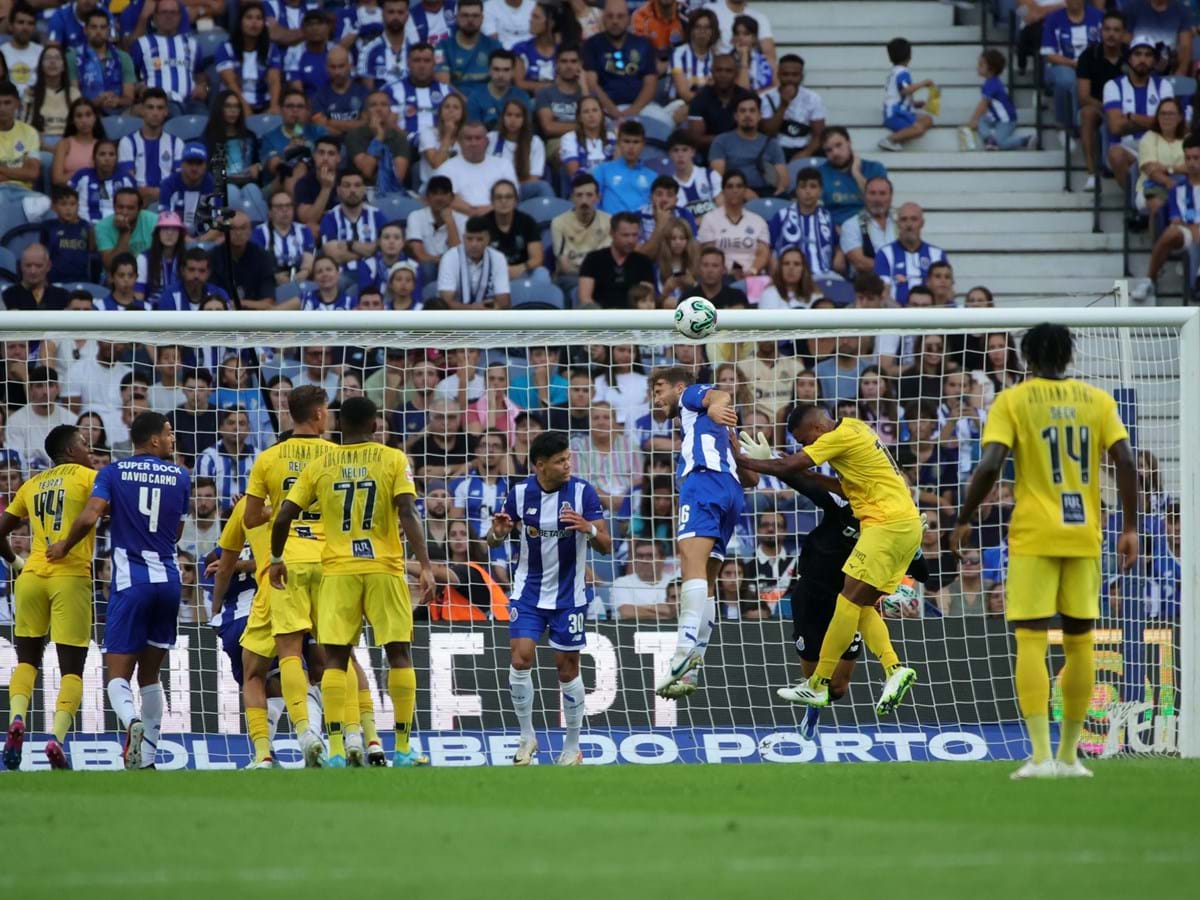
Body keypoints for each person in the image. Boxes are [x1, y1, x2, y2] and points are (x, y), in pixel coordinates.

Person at [951, 323, 1138, 779]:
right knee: (1080, 643)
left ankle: (1039, 756)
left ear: (1027, 357)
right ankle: (1072, 757)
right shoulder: (1097, 401)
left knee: (1031, 641)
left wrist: (963, 517)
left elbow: (991, 464)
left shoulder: (1012, 401)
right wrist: (1130, 525)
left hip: (1034, 534)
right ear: (1069, 355)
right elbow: (1127, 462)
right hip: (1084, 534)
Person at [271, 396, 437, 768]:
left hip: (339, 571)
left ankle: (333, 751)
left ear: (339, 425)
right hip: (384, 568)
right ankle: (405, 748)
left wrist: (278, 558)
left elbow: (282, 517)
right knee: (397, 653)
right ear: (376, 424)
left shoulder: (320, 463)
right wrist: (424, 565)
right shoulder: (393, 459)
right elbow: (407, 511)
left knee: (335, 658)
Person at [732, 405, 921, 715]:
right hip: (905, 524)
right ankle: (893, 669)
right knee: (860, 606)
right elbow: (831, 487)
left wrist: (742, 459)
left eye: (804, 439)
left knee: (846, 602)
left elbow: (791, 467)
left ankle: (818, 683)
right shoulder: (857, 430)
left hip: (884, 524)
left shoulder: (838, 436)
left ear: (817, 428)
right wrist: (776, 462)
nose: (806, 446)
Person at [242, 385, 379, 767]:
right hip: (335, 563)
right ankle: (355, 735)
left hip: (288, 562)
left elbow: (251, 518)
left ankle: (304, 732)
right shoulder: (338, 455)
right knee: (340, 654)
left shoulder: (268, 459)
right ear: (319, 415)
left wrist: (280, 509)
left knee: (287, 652)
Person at [47, 412, 191, 770]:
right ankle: (149, 758)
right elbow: (177, 534)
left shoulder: (112, 472)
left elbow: (90, 515)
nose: (173, 439)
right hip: (170, 582)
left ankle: (131, 724)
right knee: (151, 675)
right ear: (154, 440)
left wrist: (64, 545)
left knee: (116, 676)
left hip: (131, 582)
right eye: (169, 433)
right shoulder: (181, 475)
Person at [485, 430, 612, 765]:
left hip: (570, 596)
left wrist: (590, 528)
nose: (567, 464)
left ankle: (572, 747)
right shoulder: (519, 493)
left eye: (568, 458)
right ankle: (527, 737)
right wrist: (496, 533)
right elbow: (493, 540)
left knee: (567, 669)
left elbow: (607, 545)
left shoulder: (583, 492)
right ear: (540, 465)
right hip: (528, 592)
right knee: (520, 659)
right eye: (560, 461)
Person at [649, 366, 756, 698]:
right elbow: (751, 479)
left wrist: (713, 403)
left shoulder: (689, 398)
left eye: (659, 389)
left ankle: (681, 655)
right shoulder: (713, 430)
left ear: (679, 386)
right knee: (708, 583)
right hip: (732, 493)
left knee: (690, 569)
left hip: (703, 484)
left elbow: (720, 394)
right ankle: (691, 670)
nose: (656, 397)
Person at [0, 425, 95, 771]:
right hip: (69, 575)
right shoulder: (88, 477)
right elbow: (94, 515)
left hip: (31, 578)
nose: (89, 449)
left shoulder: (32, 483)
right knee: (72, 668)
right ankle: (55, 738)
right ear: (70, 451)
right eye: (84, 444)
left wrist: (17, 563)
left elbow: (0, 529)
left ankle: (16, 719)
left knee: (27, 660)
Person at [1133, 134, 1200, 302]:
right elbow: (1175, 220)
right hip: (1188, 231)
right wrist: (1193, 229)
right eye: (1188, 158)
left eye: (1196, 158)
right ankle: (1149, 280)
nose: (1192, 163)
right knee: (1171, 233)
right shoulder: (1176, 187)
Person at [1104, 37, 1173, 194]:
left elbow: (1168, 126)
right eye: (1138, 54)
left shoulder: (1164, 86)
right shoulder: (1113, 86)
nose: (1143, 59)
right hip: (1128, 147)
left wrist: (1130, 117)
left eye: (1148, 55)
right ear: (1129, 58)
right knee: (1115, 154)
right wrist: (1153, 122)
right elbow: (1115, 127)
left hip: (1158, 145)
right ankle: (1134, 200)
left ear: (1155, 61)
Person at [582, 0, 657, 122]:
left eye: (620, 16)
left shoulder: (643, 44)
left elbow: (650, 84)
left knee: (665, 123)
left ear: (628, 19)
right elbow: (592, 84)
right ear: (603, 18)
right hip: (604, 109)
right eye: (610, 16)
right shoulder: (591, 45)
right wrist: (614, 112)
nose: (615, 21)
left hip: (641, 107)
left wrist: (632, 111)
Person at [1076, 11, 1127, 190]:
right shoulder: (1088, 56)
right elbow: (1084, 97)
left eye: (1116, 30)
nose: (1111, 34)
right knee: (1087, 114)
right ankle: (1091, 174)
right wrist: (1108, 109)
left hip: (1129, 108)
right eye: (1107, 29)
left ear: (1123, 34)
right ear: (1100, 32)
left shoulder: (1133, 56)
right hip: (1098, 107)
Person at [132, 0, 206, 114]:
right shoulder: (142, 44)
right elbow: (131, 78)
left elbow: (201, 75)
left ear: (179, 16)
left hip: (191, 103)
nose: (169, 16)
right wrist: (139, 88)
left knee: (206, 118)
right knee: (174, 111)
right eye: (164, 12)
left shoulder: (193, 44)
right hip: (158, 105)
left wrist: (203, 87)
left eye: (173, 12)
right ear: (155, 16)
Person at [768, 166, 843, 279]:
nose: (808, 191)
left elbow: (836, 245)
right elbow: (770, 249)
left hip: (823, 276)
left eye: (813, 186)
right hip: (789, 279)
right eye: (803, 187)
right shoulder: (781, 216)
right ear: (797, 191)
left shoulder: (827, 218)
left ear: (820, 191)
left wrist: (840, 254)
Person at [1039, 0, 1102, 130]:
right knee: (1068, 79)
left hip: (1094, 64)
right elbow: (1049, 54)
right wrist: (1073, 64)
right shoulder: (1053, 19)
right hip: (1062, 65)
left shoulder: (1098, 16)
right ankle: (1072, 124)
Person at [709, 94, 787, 197]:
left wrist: (772, 199)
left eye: (752, 111)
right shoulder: (721, 141)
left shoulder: (772, 144)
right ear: (736, 116)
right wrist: (743, 191)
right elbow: (718, 177)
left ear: (759, 116)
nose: (747, 115)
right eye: (743, 111)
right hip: (733, 193)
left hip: (766, 194)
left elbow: (783, 178)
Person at [436, 120, 519, 215]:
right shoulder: (446, 168)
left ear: (486, 142)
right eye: (468, 138)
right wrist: (474, 213)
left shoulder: (504, 165)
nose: (473, 143)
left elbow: (512, 196)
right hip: (461, 222)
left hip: (498, 219)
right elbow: (447, 199)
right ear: (459, 142)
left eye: (478, 138)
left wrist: (485, 213)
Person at [697, 169, 770, 277]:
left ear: (745, 191)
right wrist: (726, 273)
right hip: (720, 278)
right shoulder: (710, 219)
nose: (734, 190)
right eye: (730, 186)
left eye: (739, 186)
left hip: (752, 278)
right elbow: (709, 253)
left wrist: (752, 272)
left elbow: (763, 253)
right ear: (723, 191)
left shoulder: (758, 221)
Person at [216, 1, 284, 117]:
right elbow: (231, 83)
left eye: (259, 18)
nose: (254, 22)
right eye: (249, 17)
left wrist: (274, 107)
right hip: (235, 106)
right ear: (240, 22)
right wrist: (245, 109)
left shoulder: (271, 49)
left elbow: (274, 81)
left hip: (265, 105)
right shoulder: (226, 48)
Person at [874, 202, 948, 305]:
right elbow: (883, 293)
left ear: (922, 223)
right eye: (904, 219)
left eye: (914, 219)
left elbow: (946, 291)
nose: (909, 225)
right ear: (897, 224)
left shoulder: (937, 254)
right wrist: (903, 315)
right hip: (897, 317)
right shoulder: (885, 254)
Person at [119, 88, 184, 206]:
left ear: (166, 111)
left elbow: (179, 182)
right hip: (137, 204)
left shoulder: (177, 143)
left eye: (160, 108)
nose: (155, 113)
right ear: (142, 110)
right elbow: (127, 183)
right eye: (150, 107)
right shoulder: (127, 142)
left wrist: (153, 193)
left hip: (169, 204)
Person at [208, 211, 284, 310]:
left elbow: (268, 303)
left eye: (243, 228)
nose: (238, 233)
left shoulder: (263, 257)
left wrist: (234, 303)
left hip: (255, 318)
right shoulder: (212, 257)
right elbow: (211, 301)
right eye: (233, 228)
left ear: (250, 231)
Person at [578, 211, 655, 307]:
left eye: (634, 235)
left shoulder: (643, 262)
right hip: (600, 318)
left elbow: (647, 299)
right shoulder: (593, 259)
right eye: (625, 235)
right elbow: (585, 299)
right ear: (612, 233)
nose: (631, 240)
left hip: (633, 319)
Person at [67, 9, 135, 114]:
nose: (98, 32)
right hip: (85, 115)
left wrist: (117, 101)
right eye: (93, 27)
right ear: (85, 30)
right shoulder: (72, 58)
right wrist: (95, 102)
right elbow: (73, 97)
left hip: (119, 114)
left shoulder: (123, 58)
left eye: (103, 27)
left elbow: (129, 98)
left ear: (108, 30)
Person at [436, 215, 513, 308]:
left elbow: (503, 301)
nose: (474, 244)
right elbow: (446, 303)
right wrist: (473, 309)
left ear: (488, 239)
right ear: (463, 238)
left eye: (479, 239)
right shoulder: (449, 258)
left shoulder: (498, 258)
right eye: (469, 239)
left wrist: (490, 308)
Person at [819, 126, 888, 226]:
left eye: (839, 145)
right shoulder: (819, 174)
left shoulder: (875, 169)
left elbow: (878, 202)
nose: (835, 153)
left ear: (849, 142)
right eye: (829, 150)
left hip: (869, 226)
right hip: (835, 230)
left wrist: (856, 173)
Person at [761, 54, 825, 161]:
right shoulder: (765, 98)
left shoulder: (813, 98)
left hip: (805, 148)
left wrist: (805, 153)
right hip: (776, 149)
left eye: (795, 75)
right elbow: (767, 132)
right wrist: (783, 105)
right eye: (785, 74)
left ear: (801, 77)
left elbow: (819, 135)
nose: (790, 79)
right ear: (778, 75)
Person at [686, 53, 754, 153]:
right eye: (719, 70)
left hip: (744, 151)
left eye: (728, 71)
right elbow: (697, 140)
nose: (723, 75)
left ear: (736, 73)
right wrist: (732, 139)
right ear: (712, 72)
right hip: (710, 153)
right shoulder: (700, 99)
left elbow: (754, 133)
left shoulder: (747, 98)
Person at [346, 91, 411, 193]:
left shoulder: (399, 137)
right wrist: (378, 137)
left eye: (384, 105)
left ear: (390, 111)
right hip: (361, 190)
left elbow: (398, 177)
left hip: (392, 191)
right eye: (373, 105)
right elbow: (367, 170)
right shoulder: (354, 135)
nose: (379, 109)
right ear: (366, 112)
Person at [550, 173, 611, 282]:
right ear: (572, 198)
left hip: (601, 277)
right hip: (570, 277)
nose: (584, 201)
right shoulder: (558, 223)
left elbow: (607, 261)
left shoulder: (609, 221)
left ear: (598, 198)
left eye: (589, 195)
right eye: (579, 195)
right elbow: (564, 266)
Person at [964, 48, 1027, 152]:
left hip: (1006, 120)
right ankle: (989, 139)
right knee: (982, 120)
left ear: (991, 69)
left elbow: (983, 104)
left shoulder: (992, 84)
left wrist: (972, 120)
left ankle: (1024, 140)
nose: (977, 67)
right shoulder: (991, 82)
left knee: (1001, 143)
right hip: (996, 117)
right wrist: (977, 119)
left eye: (981, 65)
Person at [879, 36, 934, 151]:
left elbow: (899, 95)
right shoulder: (902, 72)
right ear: (909, 57)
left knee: (928, 119)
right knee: (919, 129)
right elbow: (905, 90)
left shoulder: (895, 72)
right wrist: (924, 83)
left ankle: (904, 133)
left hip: (899, 111)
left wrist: (914, 103)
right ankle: (890, 140)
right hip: (895, 114)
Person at [482, 179, 545, 279]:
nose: (503, 201)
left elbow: (537, 258)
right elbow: (475, 257)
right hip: (492, 273)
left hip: (522, 271)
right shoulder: (482, 224)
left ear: (516, 201)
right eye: (498, 197)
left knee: (541, 273)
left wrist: (521, 268)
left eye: (508, 197)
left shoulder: (527, 222)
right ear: (492, 201)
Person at [487, 99, 549, 199]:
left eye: (518, 116)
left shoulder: (535, 142)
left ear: (525, 119)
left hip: (520, 189)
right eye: (509, 115)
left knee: (542, 187)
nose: (513, 120)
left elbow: (534, 178)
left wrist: (510, 189)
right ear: (503, 117)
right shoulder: (490, 138)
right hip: (492, 189)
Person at [592, 119, 655, 214]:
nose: (631, 147)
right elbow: (593, 204)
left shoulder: (653, 176)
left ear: (643, 145)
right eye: (626, 141)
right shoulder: (603, 170)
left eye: (636, 142)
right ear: (619, 143)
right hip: (610, 226)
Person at [253, 189, 316, 283]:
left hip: (300, 279)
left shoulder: (304, 231)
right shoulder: (259, 233)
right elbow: (256, 263)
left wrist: (301, 275)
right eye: (279, 207)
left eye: (288, 206)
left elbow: (308, 262)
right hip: (270, 281)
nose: (285, 210)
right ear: (270, 212)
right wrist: (274, 277)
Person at [70, 138, 136, 224]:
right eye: (102, 154)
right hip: (84, 227)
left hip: (115, 229)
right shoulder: (81, 176)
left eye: (111, 154)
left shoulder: (126, 179)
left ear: (117, 158)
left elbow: (134, 208)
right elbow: (67, 200)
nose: (107, 159)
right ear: (94, 158)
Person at [669, 8, 718, 123]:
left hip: (706, 108)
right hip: (679, 106)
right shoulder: (679, 53)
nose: (702, 31)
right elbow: (684, 93)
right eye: (697, 27)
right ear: (691, 30)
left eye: (707, 27)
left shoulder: (717, 57)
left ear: (713, 31)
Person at [405, 174, 468, 264]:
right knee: (427, 268)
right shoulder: (415, 216)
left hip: (452, 266)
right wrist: (441, 261)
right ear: (427, 197)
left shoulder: (463, 219)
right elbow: (419, 255)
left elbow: (458, 254)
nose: (439, 198)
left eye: (444, 193)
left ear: (452, 197)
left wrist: (450, 222)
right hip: (426, 265)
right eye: (435, 193)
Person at [23, 45, 79, 141]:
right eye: (48, 58)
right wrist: (45, 146)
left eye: (57, 58)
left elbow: (80, 126)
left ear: (64, 66)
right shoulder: (31, 93)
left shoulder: (74, 93)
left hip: (68, 142)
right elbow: (24, 126)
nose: (52, 62)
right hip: (39, 143)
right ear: (41, 66)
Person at [467, 49, 532, 129]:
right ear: (489, 70)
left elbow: (526, 129)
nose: (501, 75)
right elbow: (473, 130)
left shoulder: (522, 97)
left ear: (512, 72)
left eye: (506, 70)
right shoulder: (475, 97)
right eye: (496, 69)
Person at [358, 0, 412, 91]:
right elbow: (367, 93)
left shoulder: (415, 48)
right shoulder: (369, 50)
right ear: (382, 15)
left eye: (400, 12)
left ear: (407, 16)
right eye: (391, 12)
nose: (396, 17)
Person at [0, 80, 42, 191]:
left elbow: (32, 173)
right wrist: (20, 173)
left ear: (17, 104)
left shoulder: (29, 132)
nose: (2, 108)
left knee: (47, 206)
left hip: (24, 193)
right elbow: (27, 174)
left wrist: (2, 169)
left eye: (7, 103)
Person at [559, 95, 614, 179]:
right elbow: (574, 173)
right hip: (584, 188)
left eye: (595, 110)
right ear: (579, 117)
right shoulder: (569, 138)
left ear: (602, 114)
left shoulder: (612, 138)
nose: (591, 115)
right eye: (586, 112)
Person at [3, 245, 72, 311]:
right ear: (21, 266)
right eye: (28, 265)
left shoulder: (62, 296)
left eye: (38, 266)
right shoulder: (8, 296)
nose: (33, 271)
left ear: (48, 266)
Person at [513, 2, 558, 93]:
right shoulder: (521, 49)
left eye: (536, 17)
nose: (530, 20)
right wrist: (548, 87)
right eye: (532, 16)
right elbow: (519, 83)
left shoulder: (563, 51)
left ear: (551, 23)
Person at [2, 5, 43, 96]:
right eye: (20, 22)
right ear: (10, 26)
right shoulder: (1, 53)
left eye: (30, 23)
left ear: (34, 27)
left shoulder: (42, 53)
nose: (25, 28)